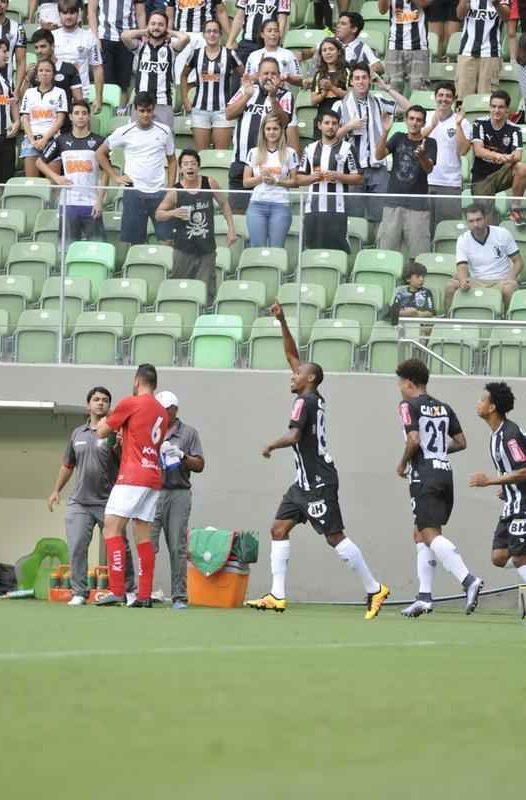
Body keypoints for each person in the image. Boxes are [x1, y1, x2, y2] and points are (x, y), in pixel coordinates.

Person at [246, 302, 389, 617]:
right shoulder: (312, 396)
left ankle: (374, 588)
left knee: (334, 537)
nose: (292, 375)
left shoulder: (303, 402)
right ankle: (277, 595)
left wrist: (271, 444)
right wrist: (282, 321)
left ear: (309, 379)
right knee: (278, 529)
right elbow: (291, 355)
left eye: (298, 374)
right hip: (303, 483)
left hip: (318, 482)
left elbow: (295, 436)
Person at [395, 358, 484, 619]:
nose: (399, 388)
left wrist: (402, 464)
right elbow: (461, 441)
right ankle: (424, 597)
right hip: (445, 473)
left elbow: (413, 439)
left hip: (424, 475)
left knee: (430, 533)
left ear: (409, 382)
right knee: (421, 533)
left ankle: (469, 580)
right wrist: (436, 452)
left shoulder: (407, 405)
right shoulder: (443, 407)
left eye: (400, 383)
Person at [47, 387, 136, 607]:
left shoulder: (115, 433)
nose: (100, 403)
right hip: (80, 503)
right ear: (88, 406)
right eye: (96, 399)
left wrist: (120, 445)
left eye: (105, 400)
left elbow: (126, 460)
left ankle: (129, 590)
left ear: (109, 406)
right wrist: (56, 490)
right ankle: (79, 592)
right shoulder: (77, 433)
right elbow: (68, 464)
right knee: (77, 545)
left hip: (109, 502)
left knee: (120, 547)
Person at [95, 364, 167, 607]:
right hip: (153, 475)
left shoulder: (131, 402)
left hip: (132, 475)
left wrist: (106, 419)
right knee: (143, 533)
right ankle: (144, 595)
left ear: (137, 381)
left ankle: (117, 590)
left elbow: (101, 431)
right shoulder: (162, 412)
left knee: (111, 528)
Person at [155, 148, 236, 304]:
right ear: (181, 169)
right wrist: (173, 212)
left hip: (207, 248)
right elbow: (159, 214)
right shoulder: (175, 191)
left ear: (198, 166)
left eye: (193, 163)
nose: (190, 167)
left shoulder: (209, 183)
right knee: (179, 288)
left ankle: (204, 318)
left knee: (206, 290)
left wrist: (231, 229)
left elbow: (224, 203)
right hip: (183, 249)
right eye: (186, 164)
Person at [96, 91, 177, 246]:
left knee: (167, 241)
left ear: (154, 109)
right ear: (135, 109)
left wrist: (170, 187)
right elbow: (100, 153)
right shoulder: (124, 131)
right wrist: (115, 176)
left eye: (149, 110)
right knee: (135, 243)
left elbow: (172, 160)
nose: (146, 114)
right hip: (134, 192)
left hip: (159, 192)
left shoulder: (165, 131)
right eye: (142, 110)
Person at [469, 382, 526, 591]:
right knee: (499, 556)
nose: (478, 403)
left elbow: (524, 470)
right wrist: (507, 488)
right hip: (512, 503)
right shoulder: (496, 435)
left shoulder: (510, 436)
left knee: (520, 558)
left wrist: (489, 481)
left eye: (482, 400)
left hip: (523, 504)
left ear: (492, 407)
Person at [151, 390, 205, 610]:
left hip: (178, 493)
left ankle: (179, 597)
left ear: (174, 410)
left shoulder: (188, 433)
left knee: (177, 546)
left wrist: (182, 456)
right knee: (147, 544)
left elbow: (200, 465)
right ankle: (144, 592)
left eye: (164, 410)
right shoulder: (150, 430)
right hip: (152, 492)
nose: (161, 413)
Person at [335, 65, 409, 223]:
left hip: (378, 168)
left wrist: (387, 88)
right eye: (357, 78)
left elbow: (408, 108)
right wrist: (348, 127)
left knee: (381, 218)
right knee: (354, 220)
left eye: (364, 77)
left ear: (369, 80)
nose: (361, 81)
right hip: (353, 170)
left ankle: (377, 247)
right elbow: (331, 137)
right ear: (351, 82)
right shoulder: (340, 105)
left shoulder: (379, 99)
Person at [226, 57, 294, 213]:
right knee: (239, 216)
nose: (269, 77)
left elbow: (284, 121)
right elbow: (228, 114)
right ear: (258, 74)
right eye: (265, 73)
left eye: (273, 73)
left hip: (270, 168)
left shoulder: (285, 96)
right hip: (241, 162)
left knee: (265, 216)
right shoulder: (247, 90)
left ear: (279, 76)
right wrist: (247, 96)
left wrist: (272, 98)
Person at [37, 99, 108, 244]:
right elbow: (39, 162)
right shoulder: (61, 141)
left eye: (84, 113)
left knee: (97, 247)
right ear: (70, 116)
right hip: (68, 202)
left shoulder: (99, 141)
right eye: (76, 113)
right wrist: (56, 177)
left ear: (89, 116)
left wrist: (100, 201)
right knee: (67, 248)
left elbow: (106, 172)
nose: (80, 116)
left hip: (91, 203)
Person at [375, 104, 437, 261]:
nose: (414, 122)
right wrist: (385, 132)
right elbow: (378, 155)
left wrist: (421, 155)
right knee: (386, 253)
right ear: (405, 120)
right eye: (411, 118)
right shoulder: (397, 137)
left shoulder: (430, 142)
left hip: (418, 207)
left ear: (423, 123)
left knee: (419, 256)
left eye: (418, 120)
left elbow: (429, 169)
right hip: (393, 204)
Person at [296, 108, 363, 253]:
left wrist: (338, 176)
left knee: (338, 251)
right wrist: (312, 178)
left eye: (334, 123)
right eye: (327, 123)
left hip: (337, 210)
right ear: (319, 125)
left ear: (339, 125)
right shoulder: (309, 149)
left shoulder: (347, 148)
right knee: (312, 250)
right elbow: (298, 178)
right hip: (313, 209)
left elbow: (358, 178)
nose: (330, 126)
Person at [445, 203, 522, 312]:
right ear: (467, 223)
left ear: (486, 218)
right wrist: (463, 281)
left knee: (509, 288)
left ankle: (508, 325)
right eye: (471, 221)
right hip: (475, 282)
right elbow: (462, 267)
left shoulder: (502, 234)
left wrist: (510, 277)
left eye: (478, 219)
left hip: (500, 281)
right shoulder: (462, 239)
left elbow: (518, 261)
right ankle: (449, 323)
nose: (475, 224)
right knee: (450, 286)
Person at [181, 18, 243, 151]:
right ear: (204, 34)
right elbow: (183, 75)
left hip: (223, 111)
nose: (212, 34)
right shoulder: (196, 54)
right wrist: (185, 99)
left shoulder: (230, 54)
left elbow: (246, 77)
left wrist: (237, 101)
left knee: (220, 154)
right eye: (208, 31)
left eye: (215, 31)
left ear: (220, 34)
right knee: (201, 155)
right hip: (199, 110)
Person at [121, 10, 189, 130]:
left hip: (163, 103)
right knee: (138, 141)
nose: (156, 27)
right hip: (140, 103)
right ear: (148, 25)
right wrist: (144, 31)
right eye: (153, 24)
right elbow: (124, 36)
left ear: (166, 27)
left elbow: (185, 38)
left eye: (160, 24)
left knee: (164, 141)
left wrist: (169, 32)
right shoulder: (140, 48)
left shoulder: (171, 50)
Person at [422, 82, 471, 234]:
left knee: (447, 231)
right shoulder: (425, 116)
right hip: (424, 181)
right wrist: (432, 125)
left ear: (454, 99)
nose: (444, 99)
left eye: (448, 96)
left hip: (450, 183)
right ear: (435, 97)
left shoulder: (462, 121)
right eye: (441, 95)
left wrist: (457, 125)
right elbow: (414, 141)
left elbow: (463, 151)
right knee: (423, 231)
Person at [471, 90, 526, 225]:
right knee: (486, 223)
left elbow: (518, 155)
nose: (496, 110)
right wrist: (499, 156)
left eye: (500, 107)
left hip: (501, 174)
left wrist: (508, 159)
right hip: (481, 178)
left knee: (522, 168)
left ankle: (515, 209)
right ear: (490, 107)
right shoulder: (479, 123)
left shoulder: (514, 129)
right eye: (493, 106)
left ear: (507, 109)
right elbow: (478, 151)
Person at [244, 113, 298, 247]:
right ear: (263, 131)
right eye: (268, 129)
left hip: (280, 204)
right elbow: (245, 182)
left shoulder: (290, 153)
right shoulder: (254, 152)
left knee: (276, 249)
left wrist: (276, 182)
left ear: (281, 131)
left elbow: (295, 182)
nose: (271, 132)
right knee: (257, 248)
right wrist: (261, 178)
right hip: (257, 204)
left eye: (275, 129)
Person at [19, 29, 82, 139]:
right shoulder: (34, 71)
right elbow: (23, 98)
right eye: (36, 47)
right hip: (38, 131)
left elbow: (78, 99)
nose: (39, 51)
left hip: (64, 129)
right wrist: (27, 78)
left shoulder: (68, 68)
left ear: (53, 46)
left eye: (43, 46)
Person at [88, 0, 147, 110]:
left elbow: (141, 13)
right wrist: (95, 36)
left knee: (124, 83)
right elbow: (91, 11)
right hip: (104, 37)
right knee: (107, 82)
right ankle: (109, 114)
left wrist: (143, 36)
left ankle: (120, 113)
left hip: (127, 38)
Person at [53, 0, 104, 113]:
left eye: (72, 13)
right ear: (59, 14)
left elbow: (97, 68)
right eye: (65, 13)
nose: (68, 16)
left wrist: (99, 98)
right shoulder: (52, 37)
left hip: (81, 95)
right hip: (55, 94)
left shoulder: (89, 37)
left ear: (79, 13)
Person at [20, 58, 67, 178]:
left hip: (52, 141)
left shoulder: (60, 92)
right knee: (31, 183)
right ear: (36, 74)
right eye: (40, 70)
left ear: (53, 74)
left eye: (48, 70)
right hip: (31, 141)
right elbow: (25, 118)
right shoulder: (29, 93)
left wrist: (45, 139)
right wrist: (32, 140)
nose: (44, 73)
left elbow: (60, 120)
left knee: (53, 183)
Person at [166, 0, 230, 84]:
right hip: (181, 36)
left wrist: (231, 38)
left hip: (204, 36)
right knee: (180, 78)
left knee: (205, 77)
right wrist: (167, 37)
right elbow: (169, 16)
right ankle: (182, 96)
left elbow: (221, 12)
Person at [456, 0, 509, 100]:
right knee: (463, 97)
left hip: (491, 53)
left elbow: (506, 17)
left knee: (486, 98)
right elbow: (460, 15)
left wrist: (496, 4)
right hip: (467, 51)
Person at [378, 0, 431, 92]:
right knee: (392, 88)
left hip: (419, 47)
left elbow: (425, 3)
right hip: (394, 46)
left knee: (418, 87)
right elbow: (382, 10)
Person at [226, 0, 290, 72]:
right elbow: (239, 17)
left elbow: (282, 21)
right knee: (239, 78)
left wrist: (277, 44)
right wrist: (230, 41)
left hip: (267, 45)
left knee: (265, 77)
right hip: (247, 44)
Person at [0, 38, 19, 204]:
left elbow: (12, 102)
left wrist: (16, 122)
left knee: (5, 182)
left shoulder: (3, 78)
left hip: (6, 137)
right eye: (3, 51)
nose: (6, 55)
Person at [310, 37, 349, 138]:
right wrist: (324, 93)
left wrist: (331, 87)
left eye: (331, 49)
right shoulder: (319, 74)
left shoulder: (347, 72)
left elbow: (350, 96)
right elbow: (313, 101)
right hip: (322, 117)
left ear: (339, 52)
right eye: (324, 50)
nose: (328, 53)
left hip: (341, 117)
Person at [244, 19, 301, 87]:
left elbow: (299, 79)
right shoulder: (253, 56)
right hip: (259, 95)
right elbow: (247, 80)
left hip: (282, 94)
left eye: (276, 31)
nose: (273, 34)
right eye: (269, 31)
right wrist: (258, 76)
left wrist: (288, 78)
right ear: (262, 34)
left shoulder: (288, 54)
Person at [0, 0, 26, 91]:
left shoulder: (18, 28)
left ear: (7, 5)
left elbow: (21, 62)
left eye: (3, 1)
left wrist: (16, 91)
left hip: (6, 88)